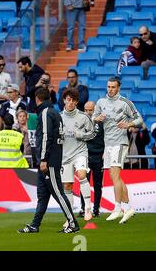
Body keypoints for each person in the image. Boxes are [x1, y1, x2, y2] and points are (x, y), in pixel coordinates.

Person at [18, 88, 79, 233]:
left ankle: (72, 223)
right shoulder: (55, 113)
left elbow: (46, 137)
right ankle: (35, 225)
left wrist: (44, 159)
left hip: (48, 161)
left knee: (58, 192)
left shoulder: (45, 113)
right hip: (50, 160)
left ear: (37, 99)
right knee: (43, 196)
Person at [93, 77, 143, 223]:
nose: (110, 89)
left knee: (115, 175)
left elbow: (140, 120)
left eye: (113, 87)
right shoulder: (101, 102)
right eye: (108, 87)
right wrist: (97, 118)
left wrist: (129, 124)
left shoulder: (125, 103)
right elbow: (94, 117)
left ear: (118, 88)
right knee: (116, 177)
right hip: (107, 144)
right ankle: (128, 208)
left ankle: (117, 208)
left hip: (120, 143)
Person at [60, 88, 95, 222]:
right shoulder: (59, 117)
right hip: (65, 155)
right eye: (68, 100)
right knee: (67, 185)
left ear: (76, 102)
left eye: (73, 100)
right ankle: (70, 217)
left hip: (80, 152)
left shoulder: (83, 117)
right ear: (64, 100)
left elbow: (92, 134)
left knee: (82, 175)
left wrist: (81, 135)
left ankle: (87, 208)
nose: (70, 102)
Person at [81, 101, 104, 217]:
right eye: (86, 110)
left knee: (97, 184)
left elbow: (107, 139)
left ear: (95, 110)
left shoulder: (101, 123)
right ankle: (84, 208)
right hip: (85, 156)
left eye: (91, 110)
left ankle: (96, 209)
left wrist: (105, 152)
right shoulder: (81, 123)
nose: (88, 112)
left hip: (99, 157)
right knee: (84, 182)